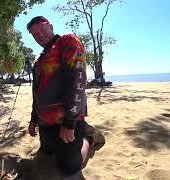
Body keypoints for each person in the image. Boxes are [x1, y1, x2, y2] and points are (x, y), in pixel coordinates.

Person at [27, 16, 105, 176]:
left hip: (67, 119)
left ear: (51, 26)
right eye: (35, 34)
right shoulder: (40, 60)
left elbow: (78, 80)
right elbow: (37, 92)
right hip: (46, 121)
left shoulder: (67, 41)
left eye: (42, 29)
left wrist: (70, 123)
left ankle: (89, 138)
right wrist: (33, 119)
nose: (39, 35)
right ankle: (81, 132)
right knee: (47, 152)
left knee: (69, 167)